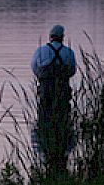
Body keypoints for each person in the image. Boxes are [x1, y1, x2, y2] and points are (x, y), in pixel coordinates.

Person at [31, 24, 76, 170]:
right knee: (63, 115)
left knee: (44, 115)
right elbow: (72, 71)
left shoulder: (41, 50)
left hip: (45, 89)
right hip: (62, 89)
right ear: (62, 37)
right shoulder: (69, 52)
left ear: (50, 37)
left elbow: (34, 67)